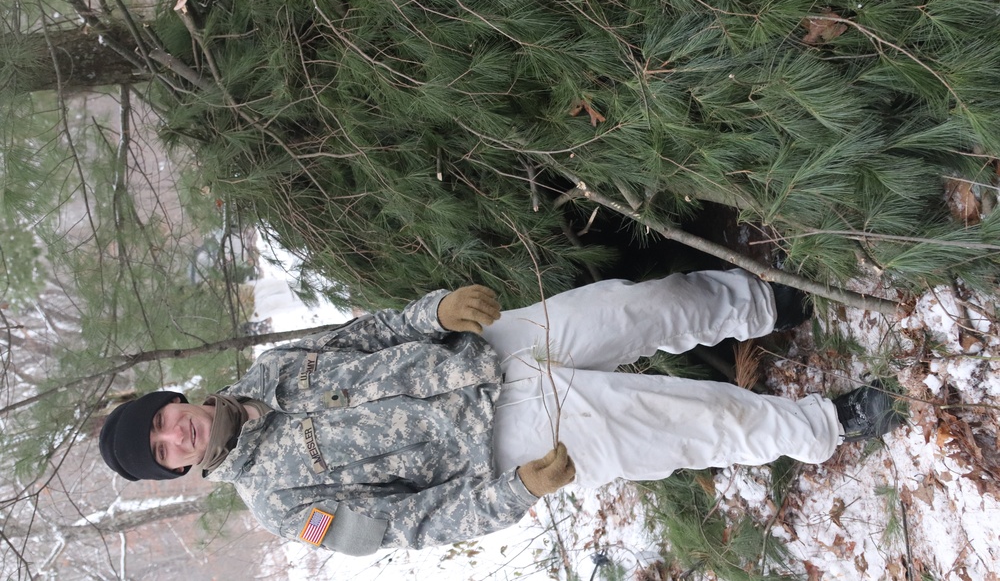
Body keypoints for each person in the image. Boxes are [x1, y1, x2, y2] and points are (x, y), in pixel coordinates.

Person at [99, 269, 902, 556]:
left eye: (162, 421)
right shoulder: (281, 508)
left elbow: (366, 333)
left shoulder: (268, 368)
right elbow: (410, 526)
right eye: (165, 452)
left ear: (172, 398)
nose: (176, 435)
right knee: (682, 421)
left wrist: (434, 310)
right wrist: (515, 490)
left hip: (488, 350)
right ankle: (826, 425)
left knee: (642, 305)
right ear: (181, 468)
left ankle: (767, 300)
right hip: (505, 438)